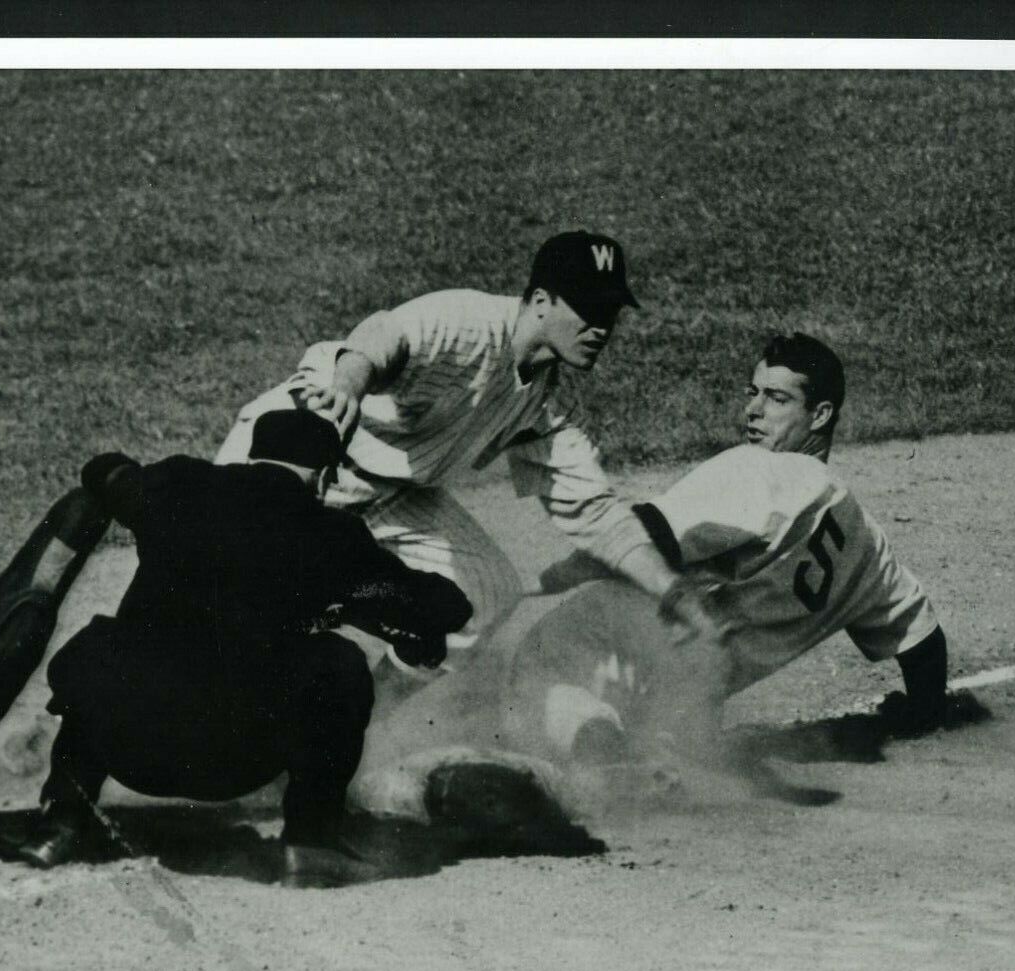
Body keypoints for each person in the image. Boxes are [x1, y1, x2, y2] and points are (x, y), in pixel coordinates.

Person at [213, 230, 711, 690]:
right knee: (227, 593)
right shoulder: (470, 321)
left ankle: (373, 713)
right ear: (541, 301)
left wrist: (673, 590)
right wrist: (349, 383)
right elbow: (384, 332)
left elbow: (597, 514)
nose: (600, 327)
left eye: (610, 312)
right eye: (587, 309)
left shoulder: (550, 402)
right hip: (289, 458)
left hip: (391, 493)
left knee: (486, 594)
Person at [13, 409, 473, 871]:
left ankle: (60, 823)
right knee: (338, 662)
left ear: (255, 455)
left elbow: (102, 471)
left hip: (128, 749)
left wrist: (120, 471)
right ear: (326, 475)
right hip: (233, 765)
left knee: (105, 648)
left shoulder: (176, 485)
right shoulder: (335, 535)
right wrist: (364, 607)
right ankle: (312, 843)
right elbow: (445, 607)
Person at [501, 332, 949, 769]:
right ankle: (652, 749)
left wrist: (550, 576)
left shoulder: (758, 468)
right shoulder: (867, 546)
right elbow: (923, 640)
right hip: (679, 694)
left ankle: (610, 766)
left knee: (531, 678)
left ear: (820, 414)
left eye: (777, 398)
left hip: (601, 644)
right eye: (753, 393)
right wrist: (923, 712)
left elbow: (646, 533)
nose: (752, 410)